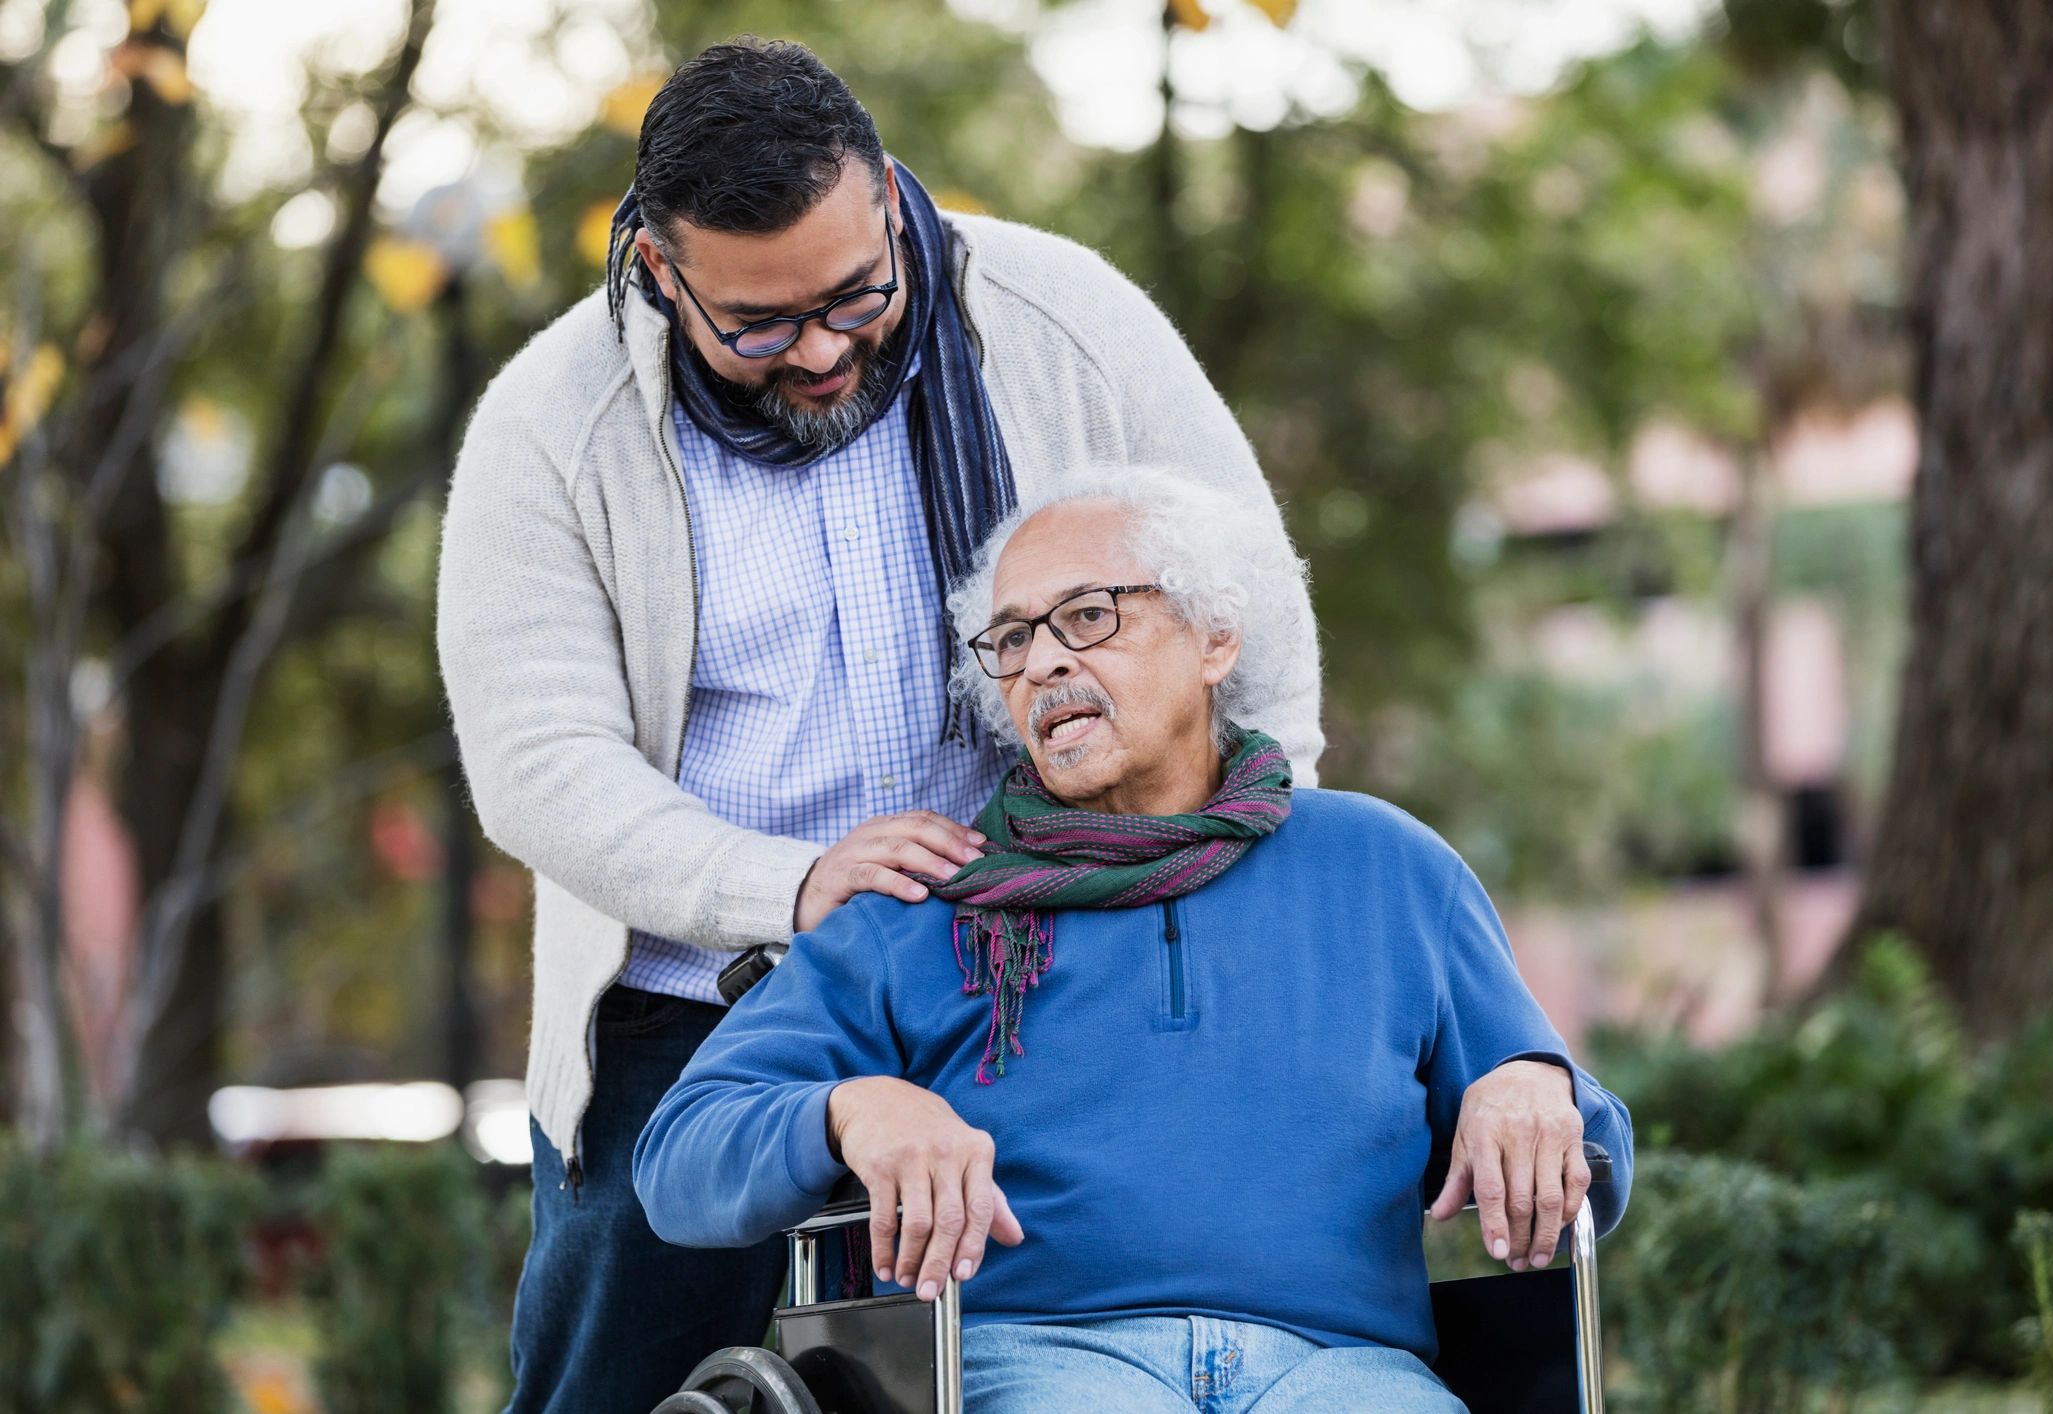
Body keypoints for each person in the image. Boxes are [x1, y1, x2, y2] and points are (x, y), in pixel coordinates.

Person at [434, 37, 1324, 1413]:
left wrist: (1223, 896)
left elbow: (1244, 618)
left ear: (890, 202)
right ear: (662, 272)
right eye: (762, 325)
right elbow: (537, 763)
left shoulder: (1065, 320)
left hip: (1033, 979)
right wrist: (786, 881)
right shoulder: (552, 427)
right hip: (694, 1017)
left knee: (1023, 1375)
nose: (829, 345)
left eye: (857, 291)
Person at [633, 471, 1634, 1413]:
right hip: (1034, 1360)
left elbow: (1603, 1158)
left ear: (1214, 640)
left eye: (1089, 615)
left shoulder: (1387, 870)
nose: (1046, 662)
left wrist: (1534, 1085)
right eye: (1014, 639)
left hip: (1345, 1368)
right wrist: (852, 1107)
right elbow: (678, 1158)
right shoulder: (920, 906)